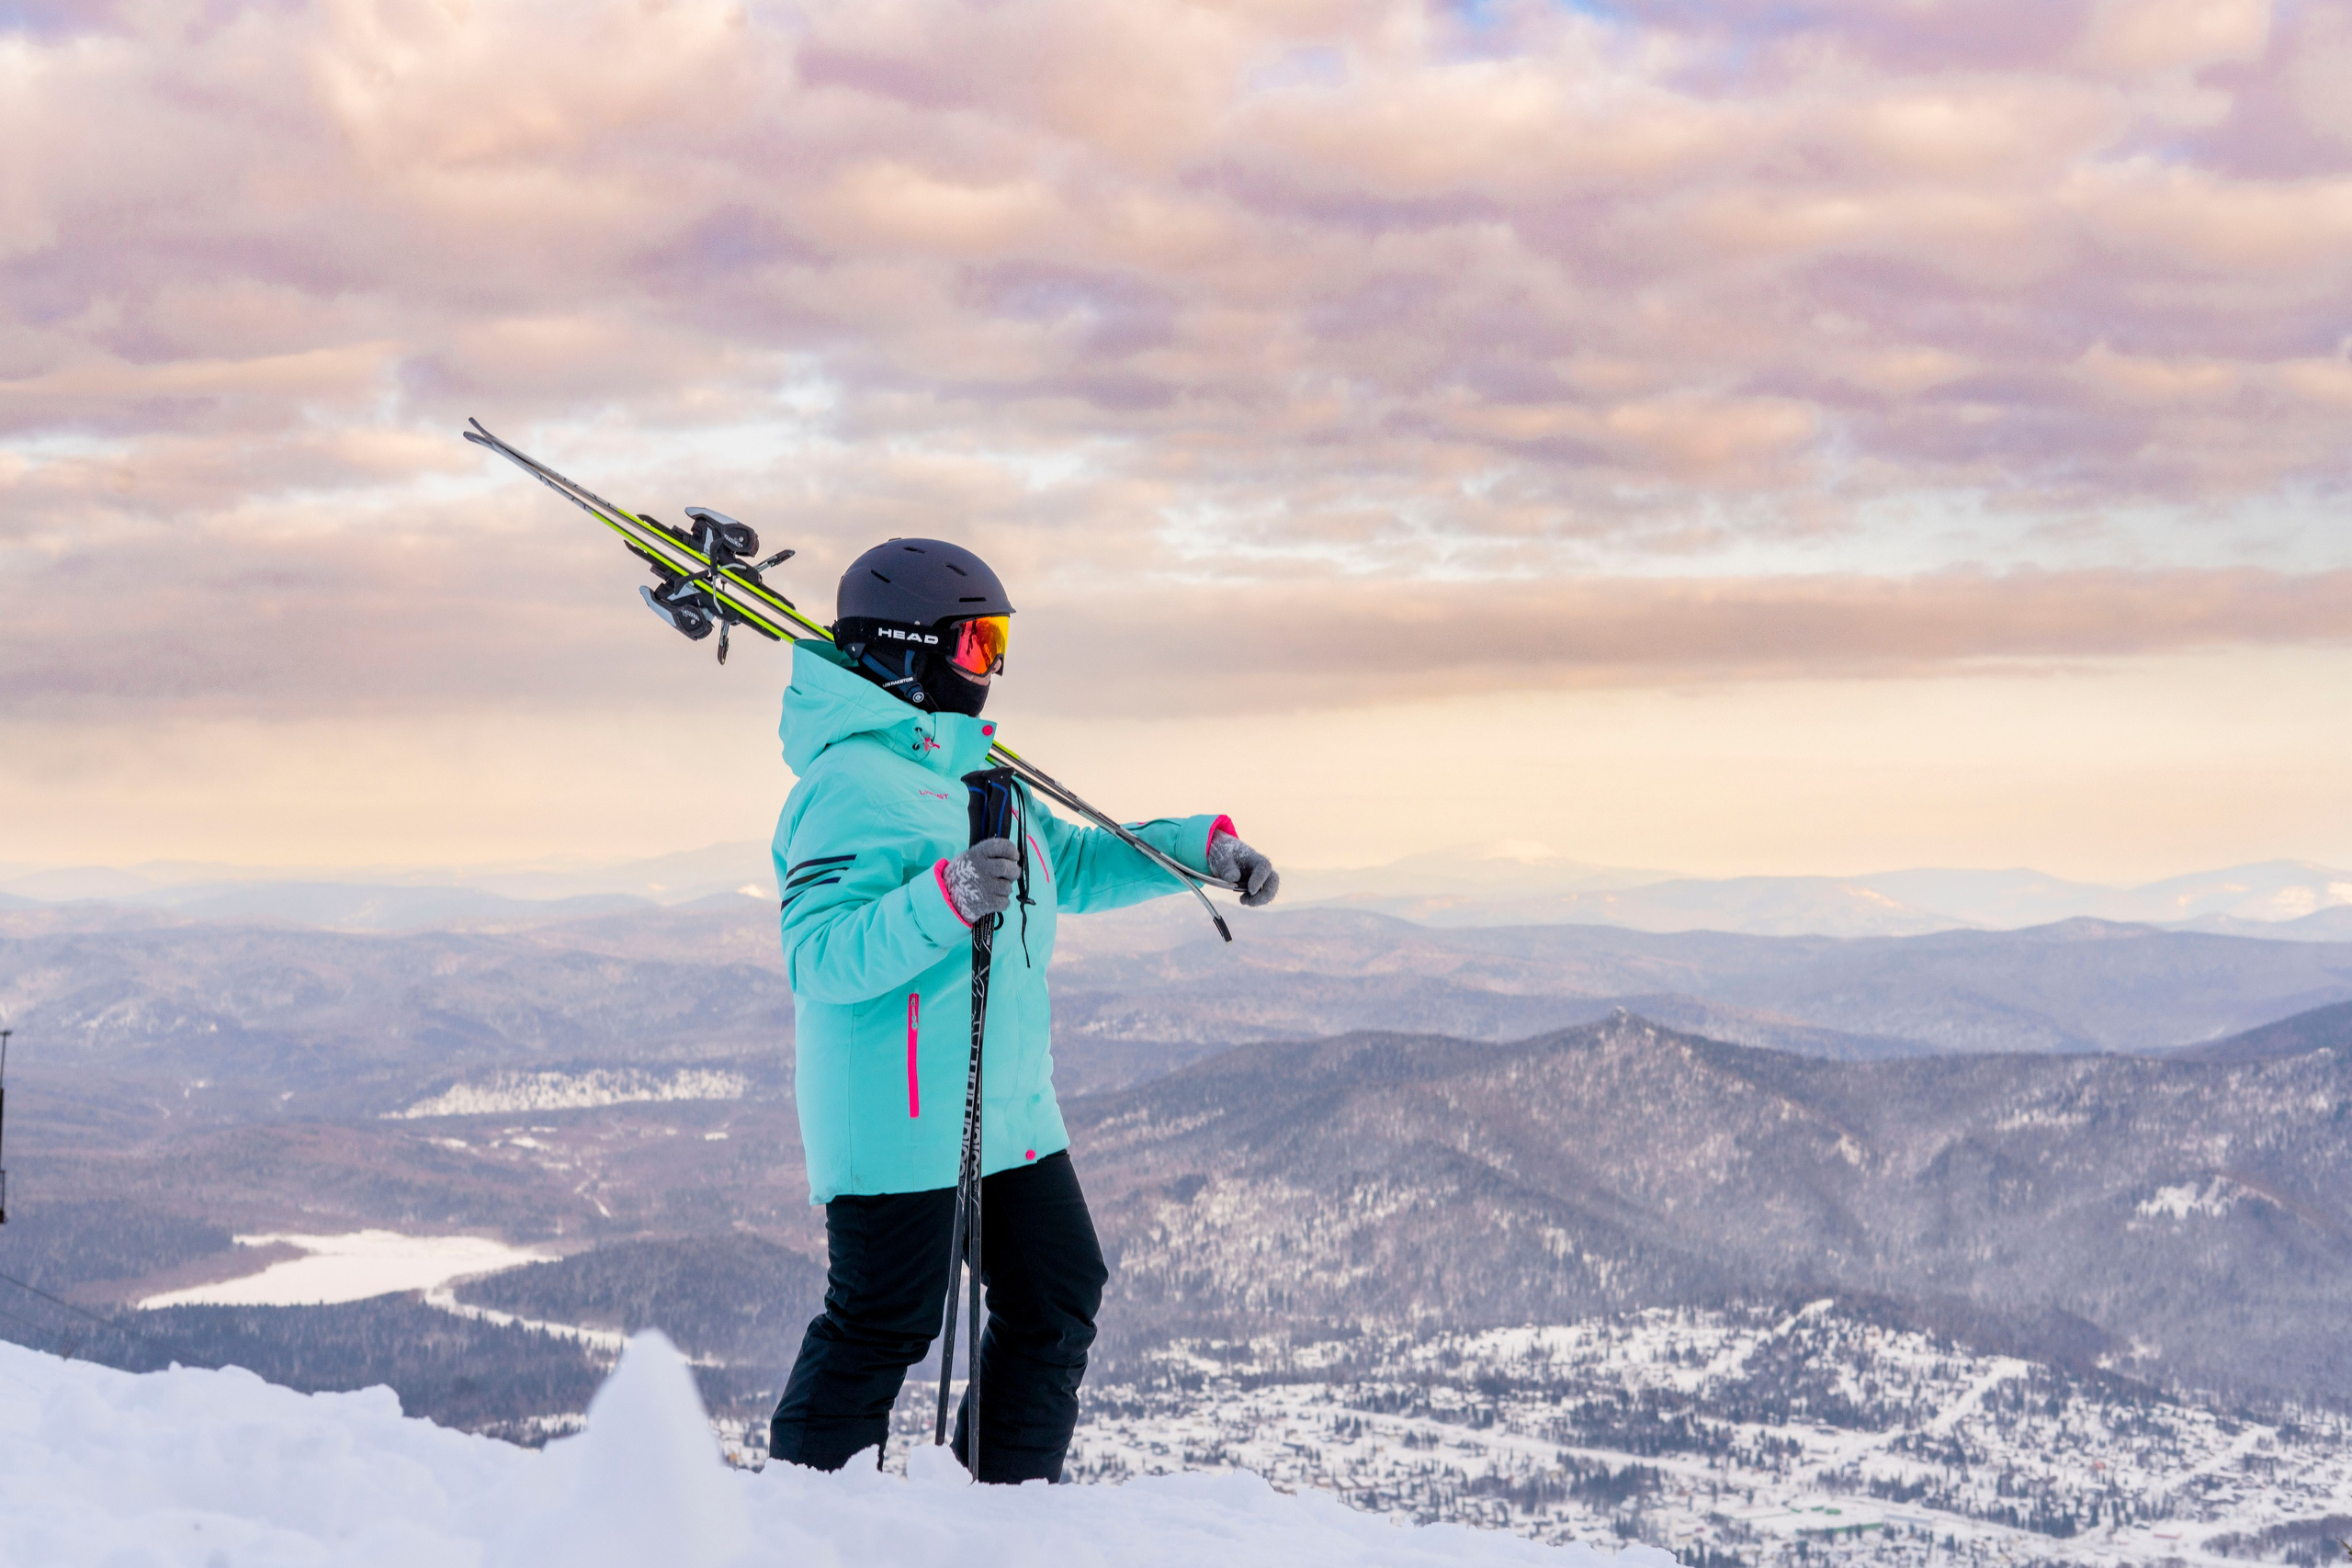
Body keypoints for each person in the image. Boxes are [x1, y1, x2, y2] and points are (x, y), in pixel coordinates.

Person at [765, 538, 1278, 1483]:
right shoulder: (846, 787)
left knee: (1057, 1296)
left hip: (1006, 1110)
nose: (990, 669)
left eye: (997, 645)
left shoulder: (980, 776)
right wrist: (947, 895)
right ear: (905, 646)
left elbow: (1072, 866)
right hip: (899, 1114)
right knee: (884, 1323)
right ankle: (798, 1528)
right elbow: (819, 958)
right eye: (973, 645)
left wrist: (1198, 852)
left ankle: (1001, 1513)